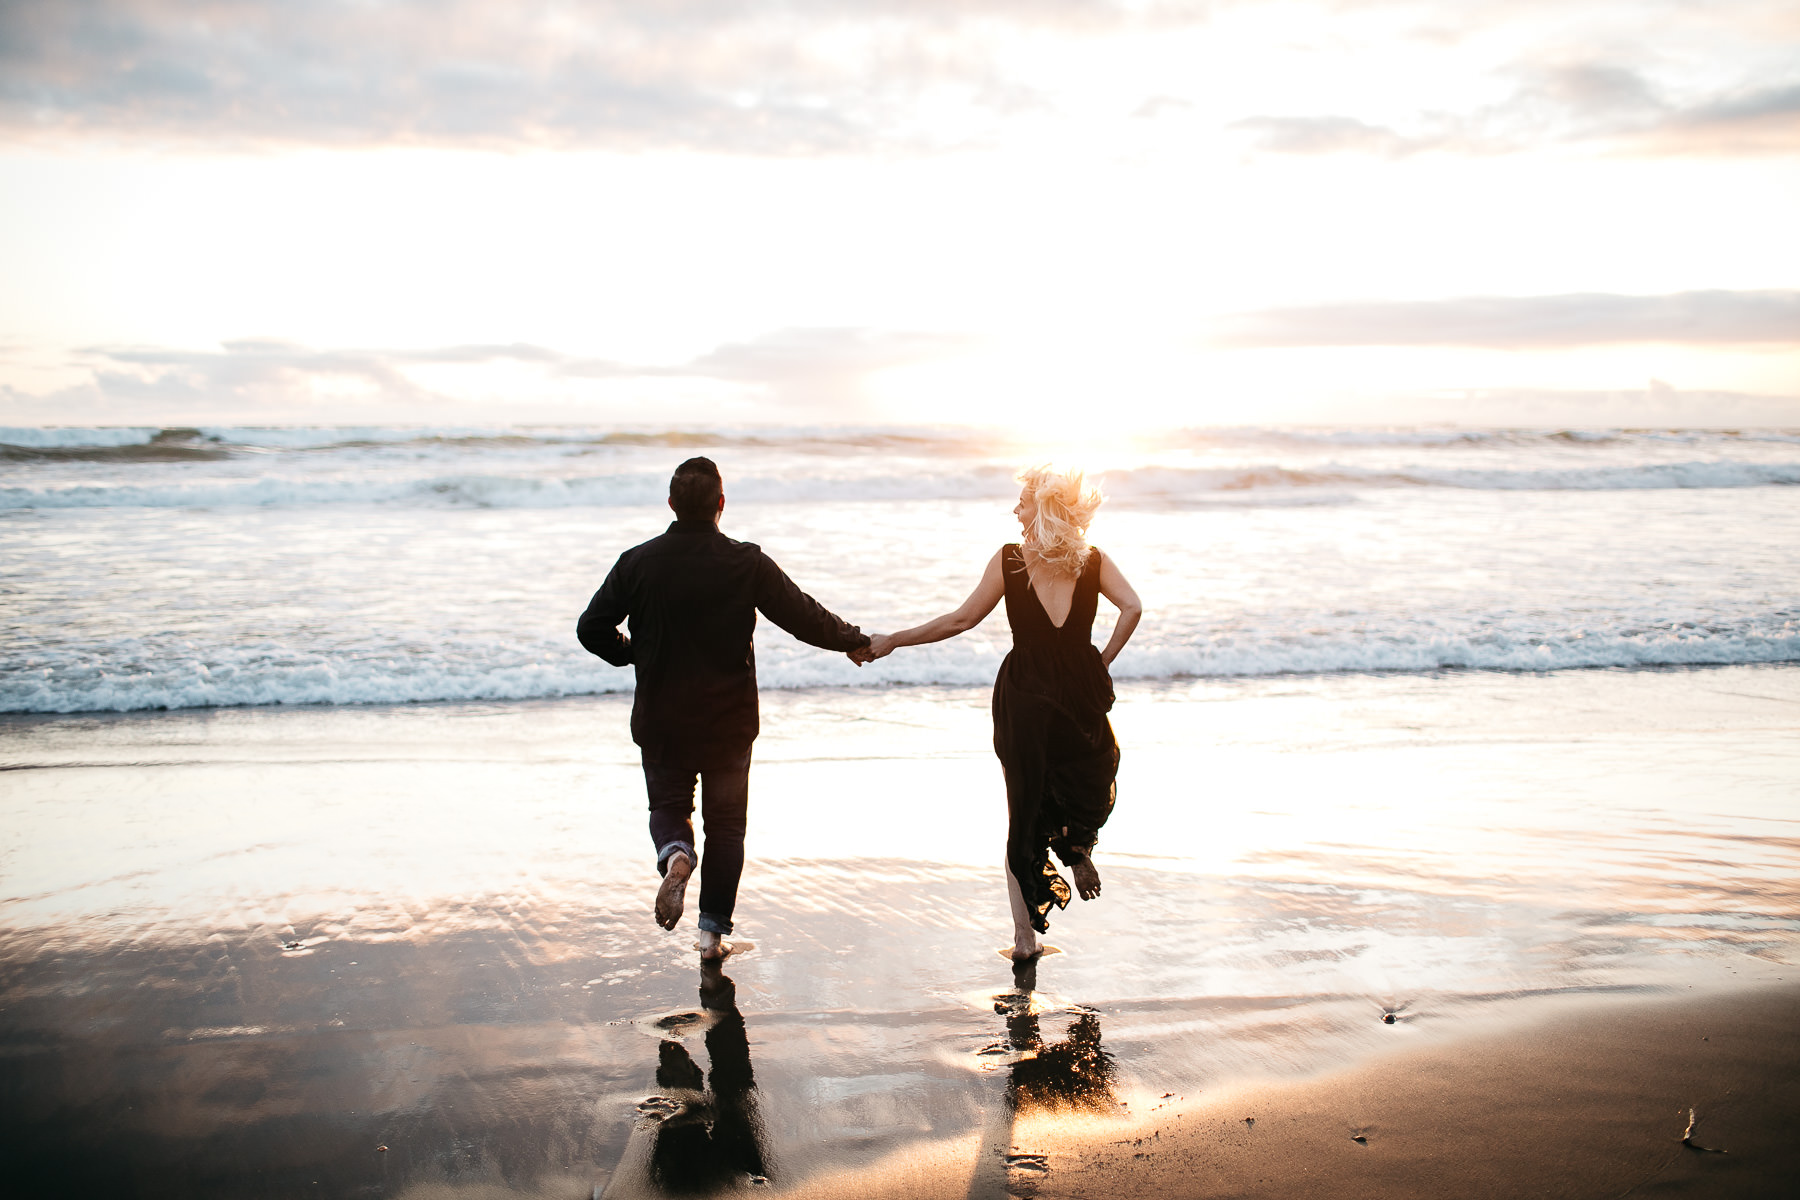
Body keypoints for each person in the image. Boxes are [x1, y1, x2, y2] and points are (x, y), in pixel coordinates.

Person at [578, 456, 873, 960]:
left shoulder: (637, 562)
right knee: (726, 826)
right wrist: (855, 639)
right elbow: (802, 615)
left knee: (669, 808)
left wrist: (632, 654)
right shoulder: (746, 561)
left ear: (671, 504)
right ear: (720, 504)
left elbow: (591, 628)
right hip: (728, 723)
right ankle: (711, 937)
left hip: (662, 718)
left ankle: (675, 856)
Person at [863, 466, 1142, 960]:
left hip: (1026, 696)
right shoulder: (1093, 561)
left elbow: (962, 619)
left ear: (1045, 507)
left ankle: (1023, 939)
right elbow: (1133, 608)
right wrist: (1099, 661)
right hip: (1078, 692)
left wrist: (894, 640)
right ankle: (1078, 850)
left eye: (1023, 503)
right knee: (1082, 778)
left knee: (1022, 809)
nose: (1015, 510)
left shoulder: (1012, 560)